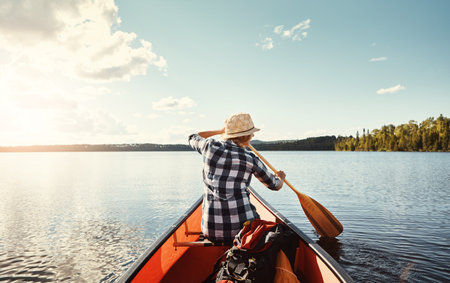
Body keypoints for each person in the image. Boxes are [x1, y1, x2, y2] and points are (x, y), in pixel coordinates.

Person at [188, 113, 286, 242]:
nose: (253, 135)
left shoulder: (209, 147)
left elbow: (193, 137)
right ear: (247, 136)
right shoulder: (251, 159)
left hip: (209, 231)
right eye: (251, 133)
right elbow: (275, 185)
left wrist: (221, 131)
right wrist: (281, 177)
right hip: (243, 232)